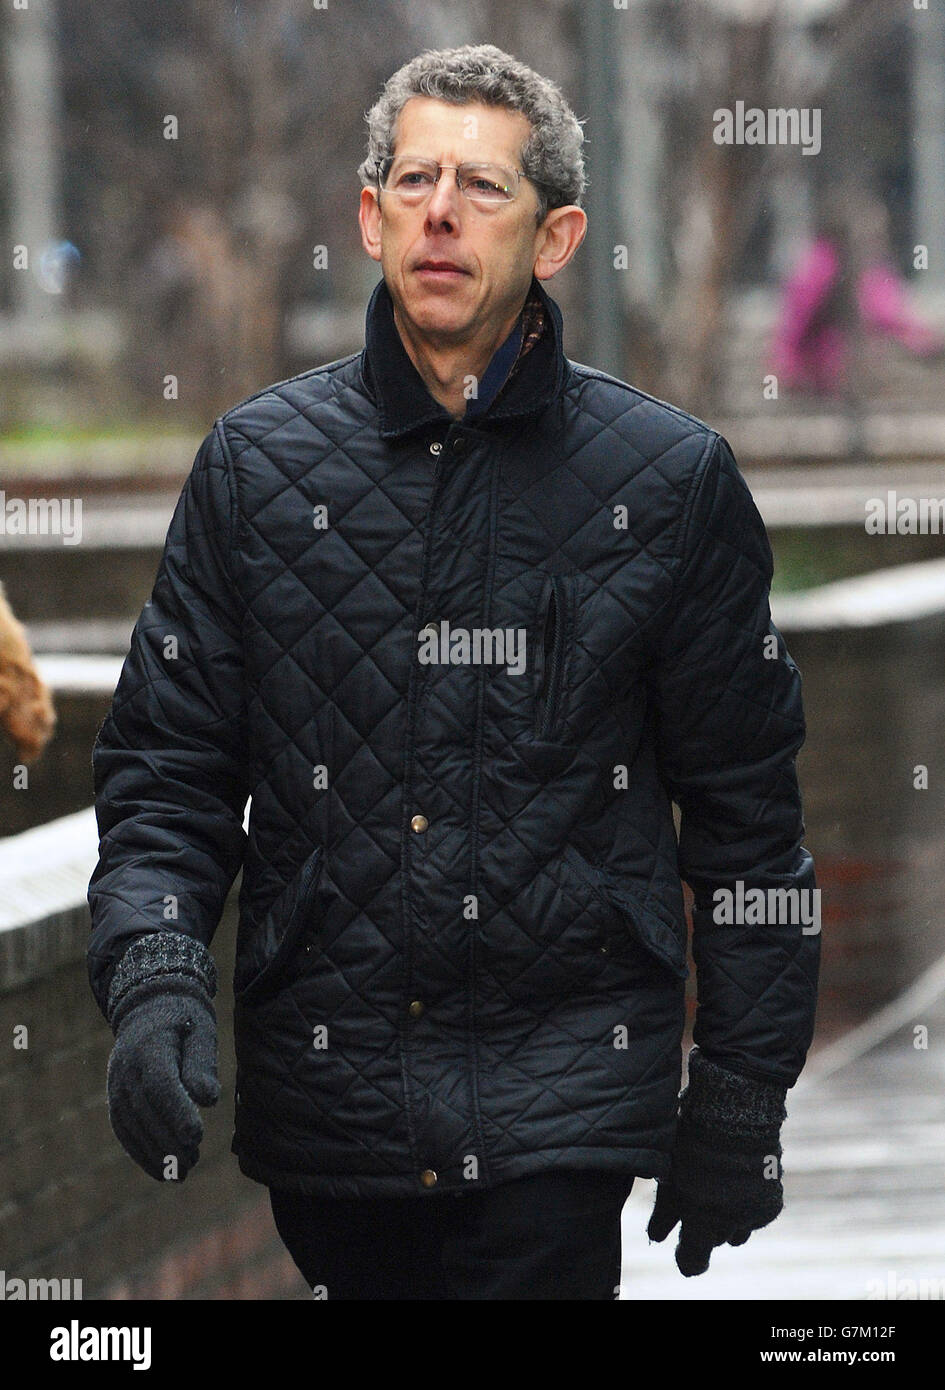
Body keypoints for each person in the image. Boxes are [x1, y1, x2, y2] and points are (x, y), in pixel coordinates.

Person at [87, 44, 820, 1301]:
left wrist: (742, 1093)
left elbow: (750, 823)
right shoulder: (256, 471)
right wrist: (154, 979)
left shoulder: (670, 483)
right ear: (368, 217)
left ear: (556, 237)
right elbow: (168, 772)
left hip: (562, 1106)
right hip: (334, 1110)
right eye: (414, 179)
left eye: (483, 188)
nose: (440, 212)